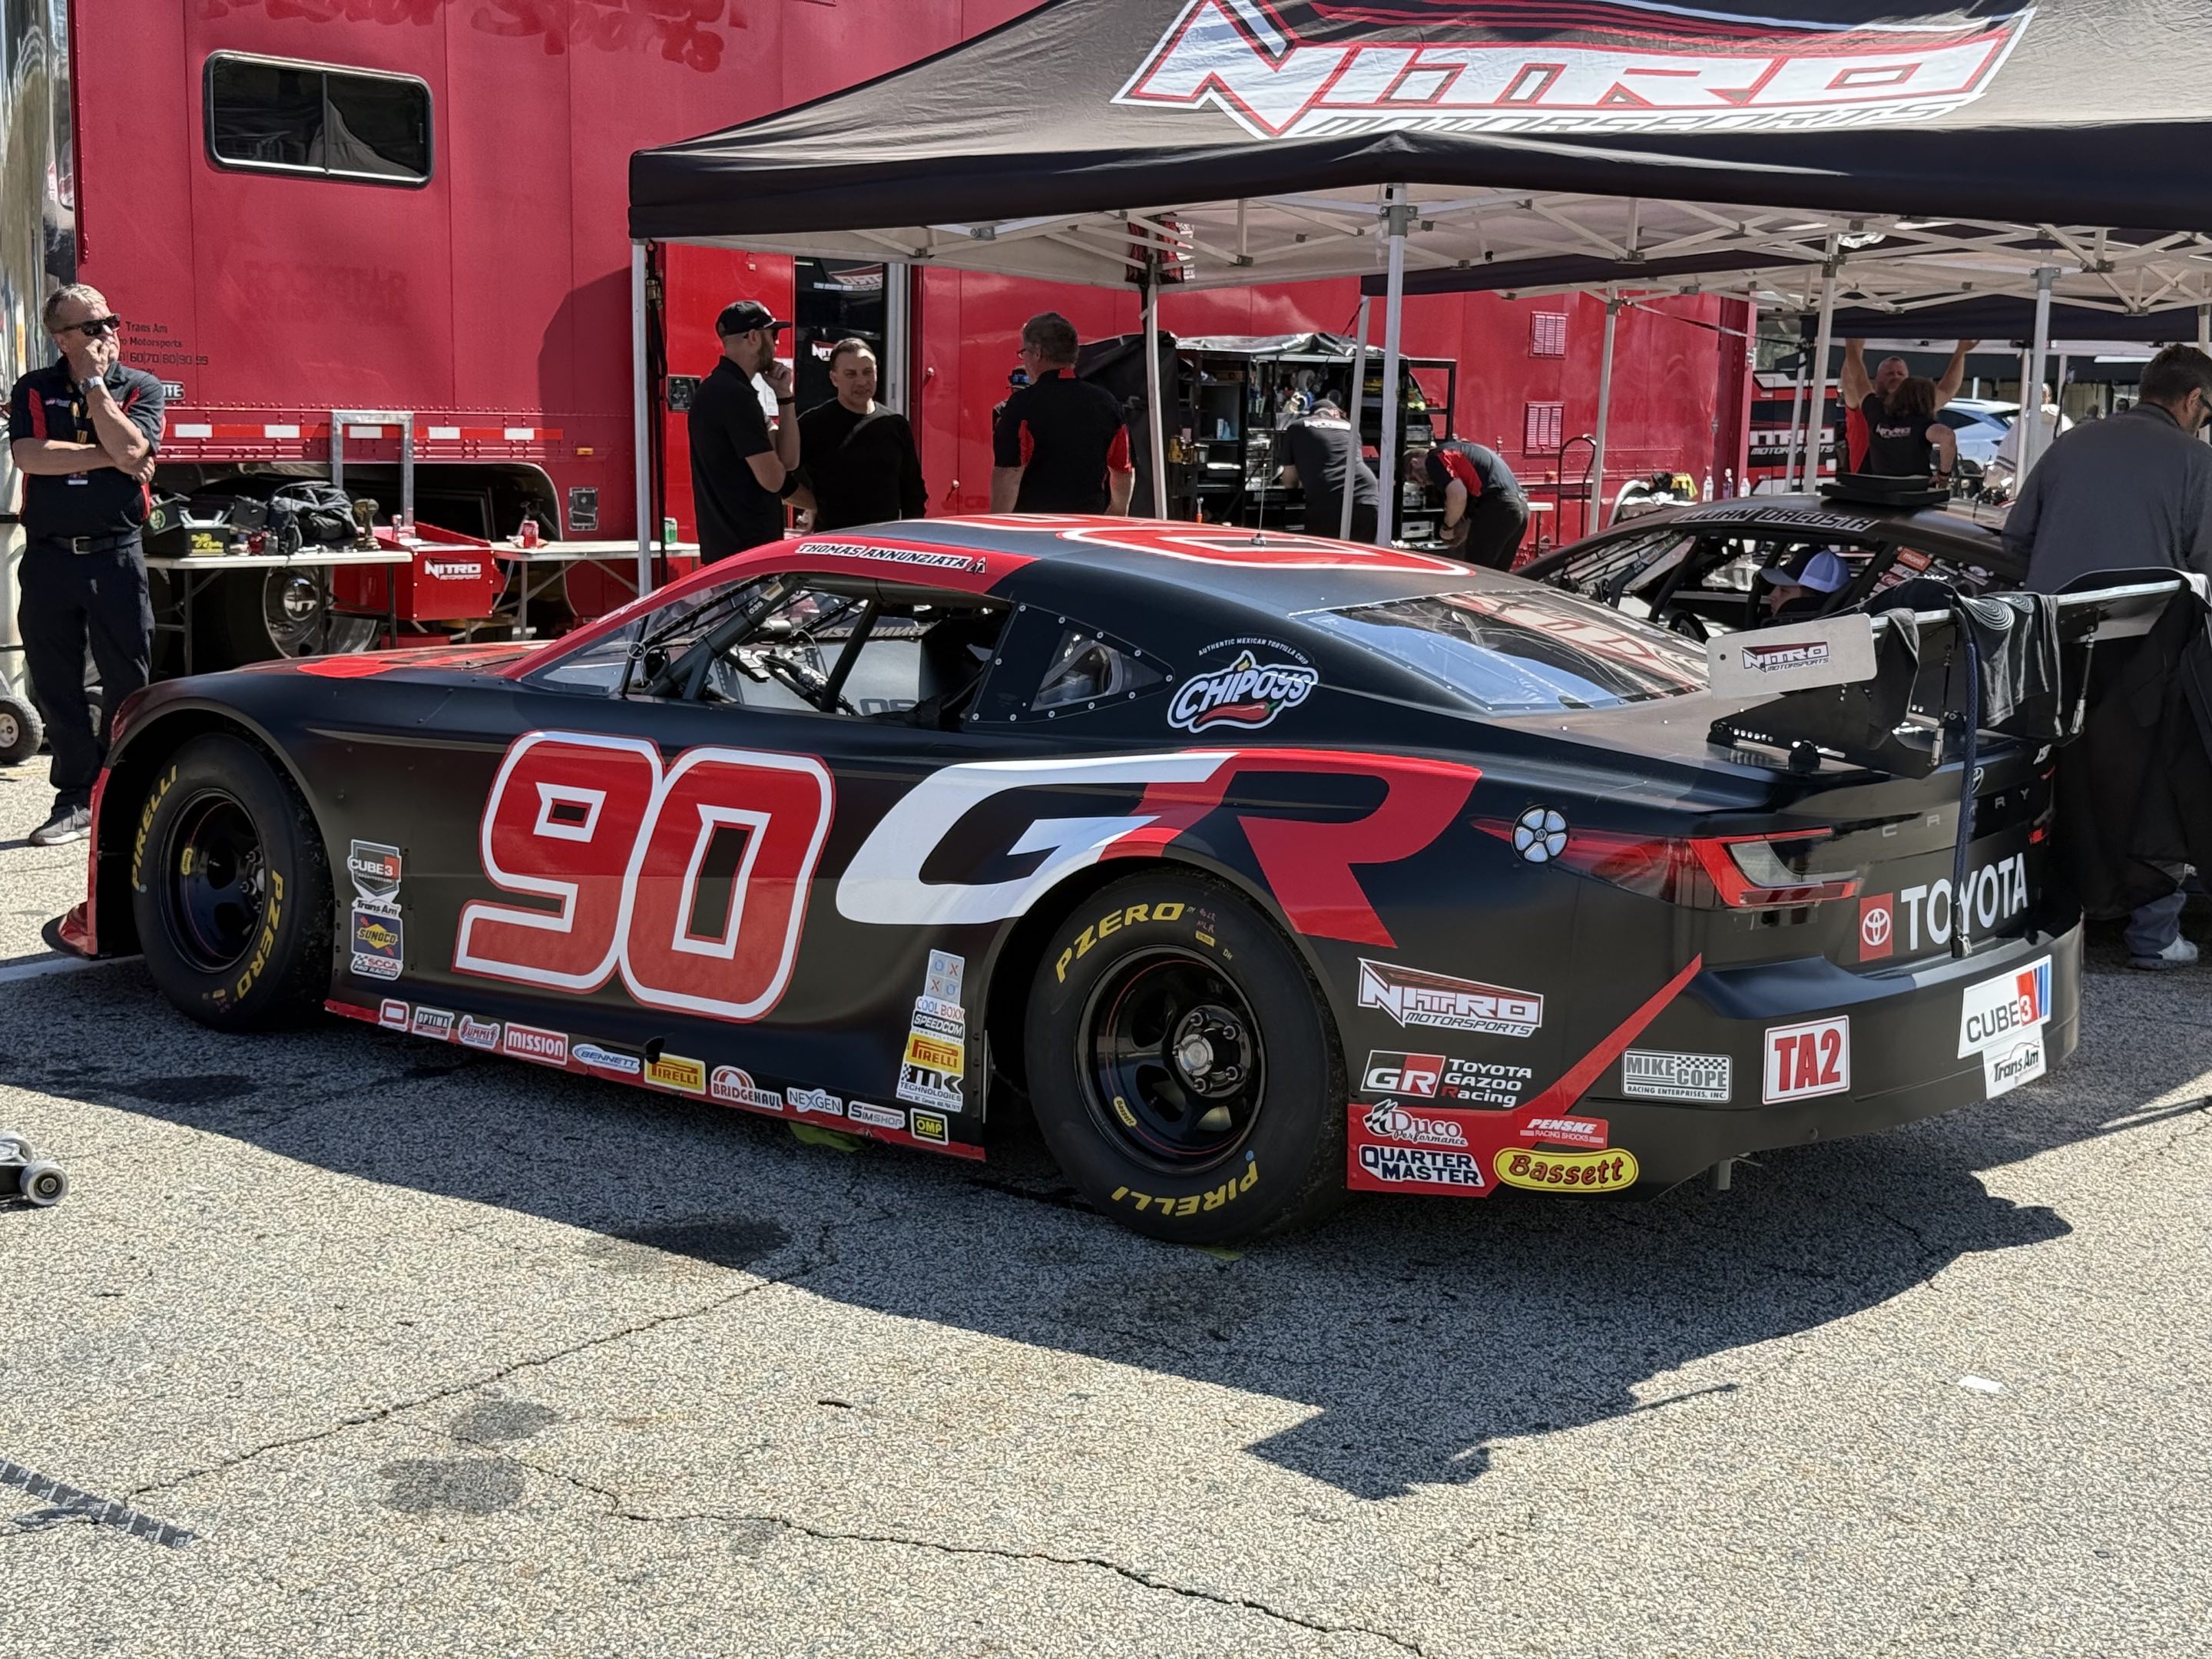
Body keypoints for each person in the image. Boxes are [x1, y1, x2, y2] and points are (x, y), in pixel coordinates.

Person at [2002, 344, 2212, 969]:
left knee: (2059, 787)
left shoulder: (2070, 444)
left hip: (2053, 652)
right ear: (2192, 400)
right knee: (2157, 791)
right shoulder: (2196, 461)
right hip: (2148, 661)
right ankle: (2154, 937)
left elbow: (2016, 541)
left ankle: (2048, 920)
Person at [7, 284, 164, 847]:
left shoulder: (139, 386)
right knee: (56, 682)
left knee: (128, 678)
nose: (108, 335)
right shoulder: (35, 387)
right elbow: (30, 454)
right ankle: (74, 798)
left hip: (115, 554)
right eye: (92, 328)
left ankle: (121, 790)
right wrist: (112, 456)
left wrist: (97, 386)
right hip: (50, 556)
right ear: (62, 339)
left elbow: (135, 449)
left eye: (111, 322)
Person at [688, 300, 800, 562]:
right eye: (773, 334)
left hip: (728, 551)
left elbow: (789, 460)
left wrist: (784, 397)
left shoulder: (722, 388)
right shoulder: (736, 396)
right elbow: (774, 480)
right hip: (747, 554)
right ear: (753, 337)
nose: (777, 344)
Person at [990, 313, 1134, 515]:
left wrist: (998, 524)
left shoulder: (1022, 405)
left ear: (1037, 353)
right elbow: (1122, 470)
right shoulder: (1107, 403)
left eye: (1024, 352)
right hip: (1087, 524)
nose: (1024, 360)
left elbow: (1009, 474)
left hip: (1036, 525)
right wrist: (1117, 514)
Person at [793, 339, 925, 532]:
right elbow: (781, 478)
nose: (862, 382)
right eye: (851, 374)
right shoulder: (812, 424)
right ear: (834, 378)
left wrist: (910, 535)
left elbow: (913, 492)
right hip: (834, 541)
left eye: (867, 372)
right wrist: (810, 504)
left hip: (885, 541)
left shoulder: (896, 424)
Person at [1839, 339, 1975, 471]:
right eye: (1889, 373)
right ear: (1876, 380)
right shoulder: (1867, 406)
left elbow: (1946, 391)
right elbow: (1853, 380)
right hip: (1865, 481)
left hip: (1908, 484)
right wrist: (1854, 343)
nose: (1896, 377)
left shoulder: (1917, 409)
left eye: (1900, 374)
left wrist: (1960, 353)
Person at [1276, 394, 1379, 542]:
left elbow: (1290, 482)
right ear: (1335, 413)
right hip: (1366, 495)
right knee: (1360, 552)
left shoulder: (1297, 427)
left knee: (1324, 551)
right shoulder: (1351, 428)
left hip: (1327, 499)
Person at [1424, 439, 1528, 570]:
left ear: (1414, 463)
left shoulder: (1434, 458)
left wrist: (1448, 527)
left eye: (1413, 478)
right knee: (1498, 574)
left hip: (1499, 506)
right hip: (1520, 506)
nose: (1423, 484)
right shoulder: (1468, 453)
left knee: (1476, 571)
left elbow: (1457, 495)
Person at [1861, 376, 1959, 483]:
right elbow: (1947, 436)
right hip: (1915, 488)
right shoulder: (1922, 424)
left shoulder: (1877, 415)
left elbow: (1859, 382)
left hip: (1880, 487)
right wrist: (1943, 475)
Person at [1991, 384, 2072, 475]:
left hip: (2027, 473)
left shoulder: (2024, 419)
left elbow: (2010, 450)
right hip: (2053, 472)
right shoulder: (2063, 420)